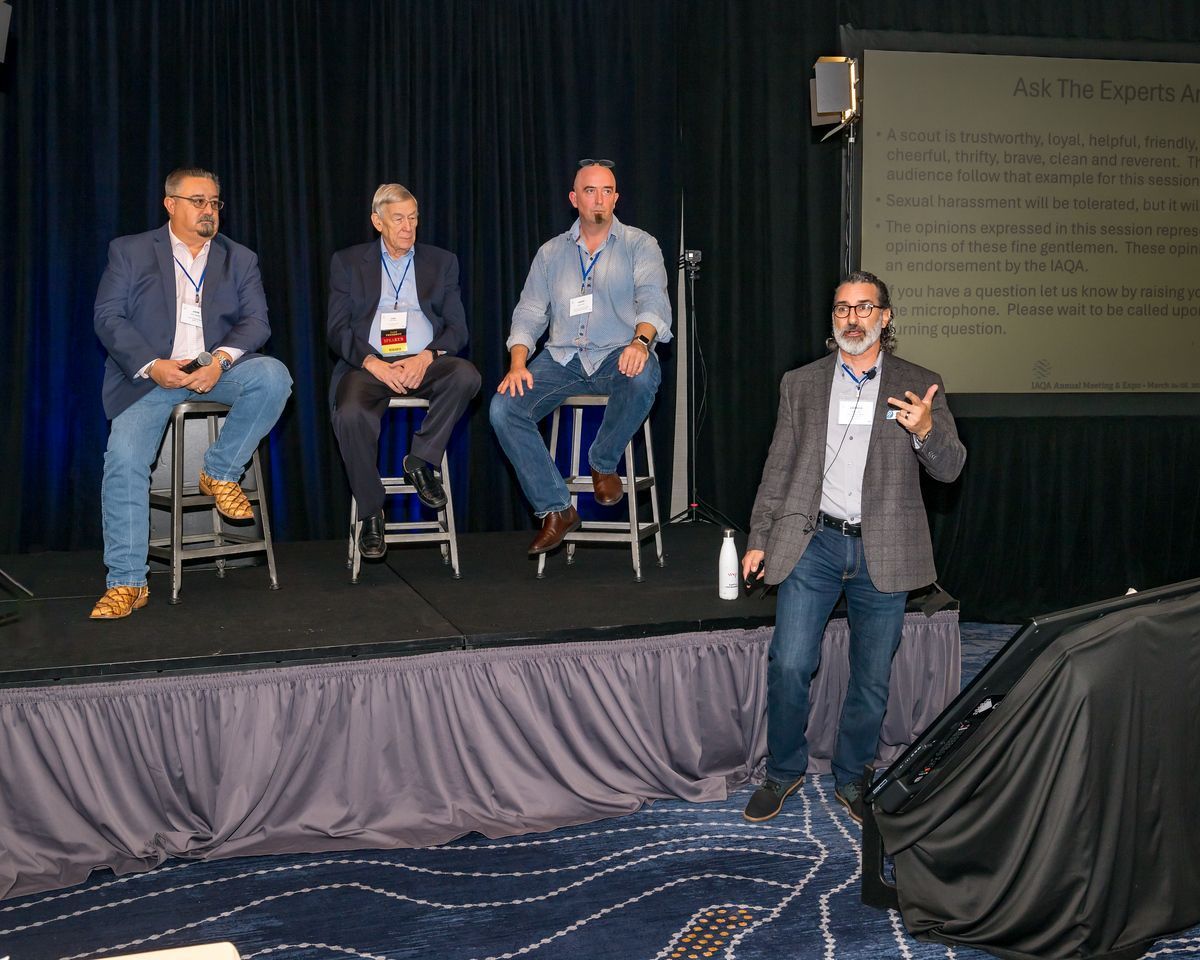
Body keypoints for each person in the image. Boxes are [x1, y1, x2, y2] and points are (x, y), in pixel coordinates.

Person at [741, 270, 966, 823]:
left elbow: (951, 466)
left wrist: (924, 429)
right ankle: (783, 771)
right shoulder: (802, 383)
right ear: (833, 319)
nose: (853, 318)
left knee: (872, 675)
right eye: (843, 309)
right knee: (790, 663)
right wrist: (759, 537)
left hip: (883, 550)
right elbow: (777, 467)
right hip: (812, 542)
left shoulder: (920, 382)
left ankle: (853, 775)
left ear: (885, 318)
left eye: (865, 308)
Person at [91, 167, 293, 619]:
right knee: (123, 462)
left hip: (212, 369)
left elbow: (257, 322)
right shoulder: (130, 251)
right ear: (171, 204)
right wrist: (151, 364)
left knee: (274, 377)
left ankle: (219, 471)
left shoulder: (238, 258)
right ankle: (127, 582)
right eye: (198, 201)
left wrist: (220, 360)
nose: (208, 211)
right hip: (150, 374)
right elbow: (108, 317)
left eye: (215, 202)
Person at [490, 159, 672, 555]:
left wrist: (640, 342)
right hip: (562, 359)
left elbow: (654, 300)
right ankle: (556, 507)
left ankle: (603, 461)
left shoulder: (640, 244)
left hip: (618, 354)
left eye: (607, 191)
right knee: (503, 409)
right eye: (590, 191)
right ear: (574, 199)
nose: (599, 199)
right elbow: (528, 312)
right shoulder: (551, 253)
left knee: (643, 376)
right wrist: (518, 362)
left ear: (617, 198)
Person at [327, 183, 480, 559]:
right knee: (349, 413)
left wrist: (428, 356)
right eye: (398, 219)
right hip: (370, 363)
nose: (408, 227)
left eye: (413, 218)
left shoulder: (441, 262)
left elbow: (458, 328)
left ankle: (421, 459)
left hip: (424, 360)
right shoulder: (347, 262)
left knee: (466, 376)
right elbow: (337, 329)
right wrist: (374, 363)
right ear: (377, 221)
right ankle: (371, 511)